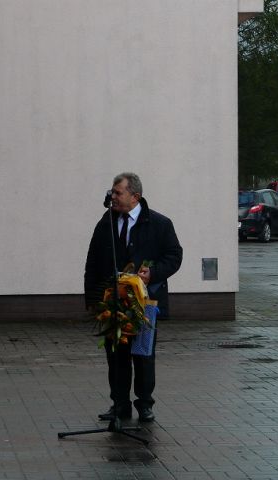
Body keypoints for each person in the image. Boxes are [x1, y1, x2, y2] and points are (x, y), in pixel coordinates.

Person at [84, 172, 182, 423]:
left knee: (143, 355)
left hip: (145, 303)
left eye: (118, 193)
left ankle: (145, 404)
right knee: (116, 356)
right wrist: (92, 301)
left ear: (135, 196)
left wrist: (153, 274)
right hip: (112, 302)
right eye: (113, 192)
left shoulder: (159, 223)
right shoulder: (106, 222)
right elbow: (93, 261)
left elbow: (174, 256)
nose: (113, 197)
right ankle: (119, 404)